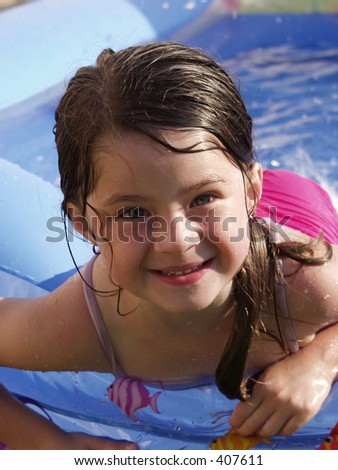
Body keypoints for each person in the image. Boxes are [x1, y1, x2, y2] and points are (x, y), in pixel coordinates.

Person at [0, 42, 337, 450]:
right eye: (133, 213)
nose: (176, 242)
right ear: (84, 225)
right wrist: (48, 444)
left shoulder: (304, 285)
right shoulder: (84, 328)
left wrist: (320, 361)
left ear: (251, 190)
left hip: (296, 210)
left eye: (201, 197)